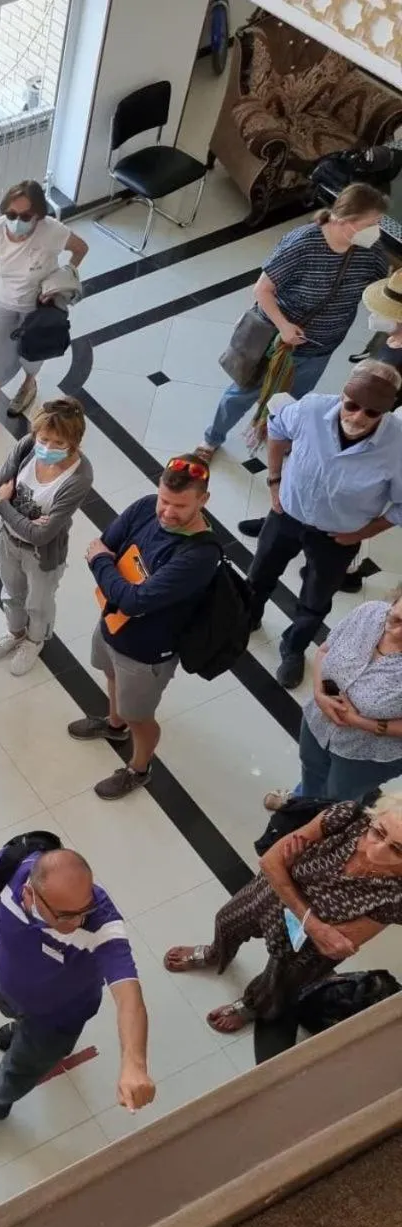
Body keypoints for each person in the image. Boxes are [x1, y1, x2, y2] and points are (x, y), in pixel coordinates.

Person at [0, 846, 155, 1139]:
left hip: (56, 1020)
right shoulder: (12, 865)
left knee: (20, 1067)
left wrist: (134, 1063)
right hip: (9, 986)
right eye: (66, 915)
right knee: (11, 1012)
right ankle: (20, 1028)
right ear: (29, 894)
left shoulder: (102, 926)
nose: (79, 922)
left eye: (86, 908)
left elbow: (130, 998)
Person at [165, 795, 402, 1032]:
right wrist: (314, 923)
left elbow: (337, 944)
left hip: (305, 943)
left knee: (279, 982)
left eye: (398, 850)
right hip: (273, 899)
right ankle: (216, 953)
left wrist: (288, 873)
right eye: (378, 832)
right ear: (374, 816)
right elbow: (270, 862)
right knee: (227, 920)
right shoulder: (347, 817)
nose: (377, 850)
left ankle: (252, 1005)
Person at [197, 182, 389, 460]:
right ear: (344, 220)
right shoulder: (303, 243)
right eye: (371, 223)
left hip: (320, 348)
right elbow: (262, 289)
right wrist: (284, 326)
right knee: (242, 393)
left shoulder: (370, 251)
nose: (376, 230)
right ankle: (211, 439)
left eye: (379, 222)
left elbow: (380, 289)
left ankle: (276, 436)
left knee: (292, 401)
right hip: (276, 343)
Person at [69, 455, 220, 799]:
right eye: (164, 500)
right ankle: (114, 725)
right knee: (110, 675)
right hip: (112, 624)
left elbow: (130, 595)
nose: (166, 512)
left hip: (146, 651)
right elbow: (106, 544)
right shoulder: (145, 507)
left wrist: (104, 564)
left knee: (139, 716)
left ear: (203, 500)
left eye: (180, 506)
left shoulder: (199, 555)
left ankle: (139, 768)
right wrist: (113, 576)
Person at [246, 361, 402, 688]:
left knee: (316, 599)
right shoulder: (311, 409)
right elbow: (277, 427)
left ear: (387, 411)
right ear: (343, 394)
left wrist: (362, 533)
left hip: (337, 537)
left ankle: (294, 647)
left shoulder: (397, 447)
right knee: (260, 573)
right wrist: (274, 480)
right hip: (286, 516)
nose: (357, 418)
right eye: (352, 405)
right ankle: (248, 616)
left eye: (372, 412)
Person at [0, 180, 89, 433]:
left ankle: (29, 383)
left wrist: (64, 276)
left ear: (38, 215)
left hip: (37, 307)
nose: (16, 221)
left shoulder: (52, 231)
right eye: (11, 215)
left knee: (32, 353)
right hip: (1, 301)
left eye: (25, 216)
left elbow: (80, 249)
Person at [0, 397, 94, 676]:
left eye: (58, 443)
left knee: (39, 603)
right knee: (11, 592)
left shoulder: (79, 476)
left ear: (74, 442)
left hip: (41, 554)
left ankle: (34, 641)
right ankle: (15, 632)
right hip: (7, 539)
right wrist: (22, 519)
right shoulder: (28, 446)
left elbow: (42, 535)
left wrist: (6, 504)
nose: (47, 448)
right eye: (44, 439)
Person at [261, 591, 402, 808]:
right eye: (396, 619)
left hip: (366, 751)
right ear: (394, 602)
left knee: (339, 796)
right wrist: (319, 693)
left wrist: (360, 722)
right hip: (319, 720)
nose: (397, 632)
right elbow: (324, 651)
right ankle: (302, 802)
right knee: (311, 767)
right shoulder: (368, 613)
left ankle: (326, 817)